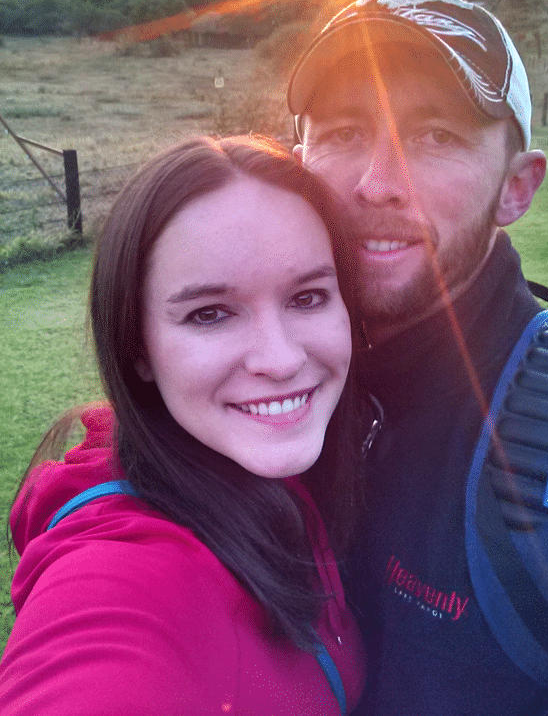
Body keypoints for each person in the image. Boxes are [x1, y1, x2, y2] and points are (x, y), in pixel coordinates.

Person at [0, 136, 368, 715]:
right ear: (137, 346)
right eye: (210, 313)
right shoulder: (119, 581)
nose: (280, 359)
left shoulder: (262, 471)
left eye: (308, 297)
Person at [287, 0, 548, 715]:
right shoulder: (259, 384)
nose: (375, 184)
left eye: (434, 136)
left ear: (516, 188)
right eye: (344, 132)